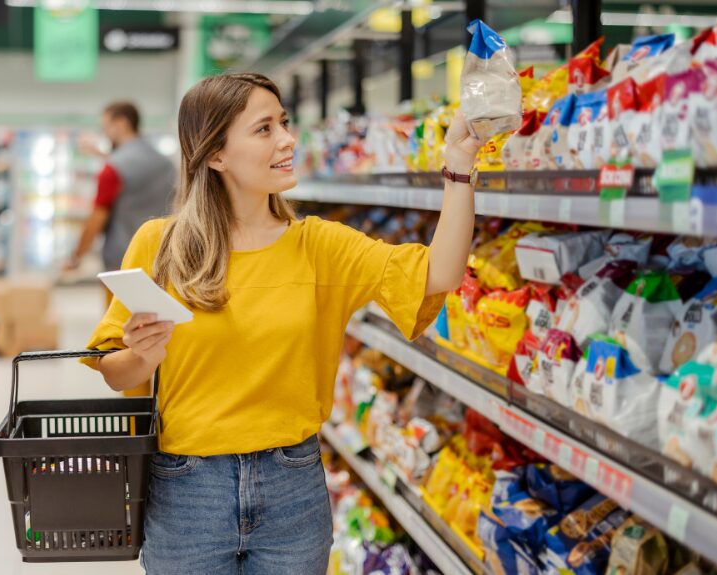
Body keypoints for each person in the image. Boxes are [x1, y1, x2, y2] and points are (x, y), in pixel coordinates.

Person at [81, 73, 481, 573]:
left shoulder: (319, 246)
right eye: (265, 129)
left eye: (285, 124)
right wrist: (142, 355)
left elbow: (438, 274)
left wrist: (459, 168)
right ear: (216, 155)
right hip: (187, 493)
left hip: (292, 489)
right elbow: (116, 374)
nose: (288, 139)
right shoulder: (162, 245)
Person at [64, 101, 176, 276]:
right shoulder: (166, 164)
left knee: (119, 305)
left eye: (106, 127)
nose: (105, 133)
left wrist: (76, 257)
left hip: (123, 263)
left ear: (122, 124)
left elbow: (96, 219)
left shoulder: (113, 169)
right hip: (163, 258)